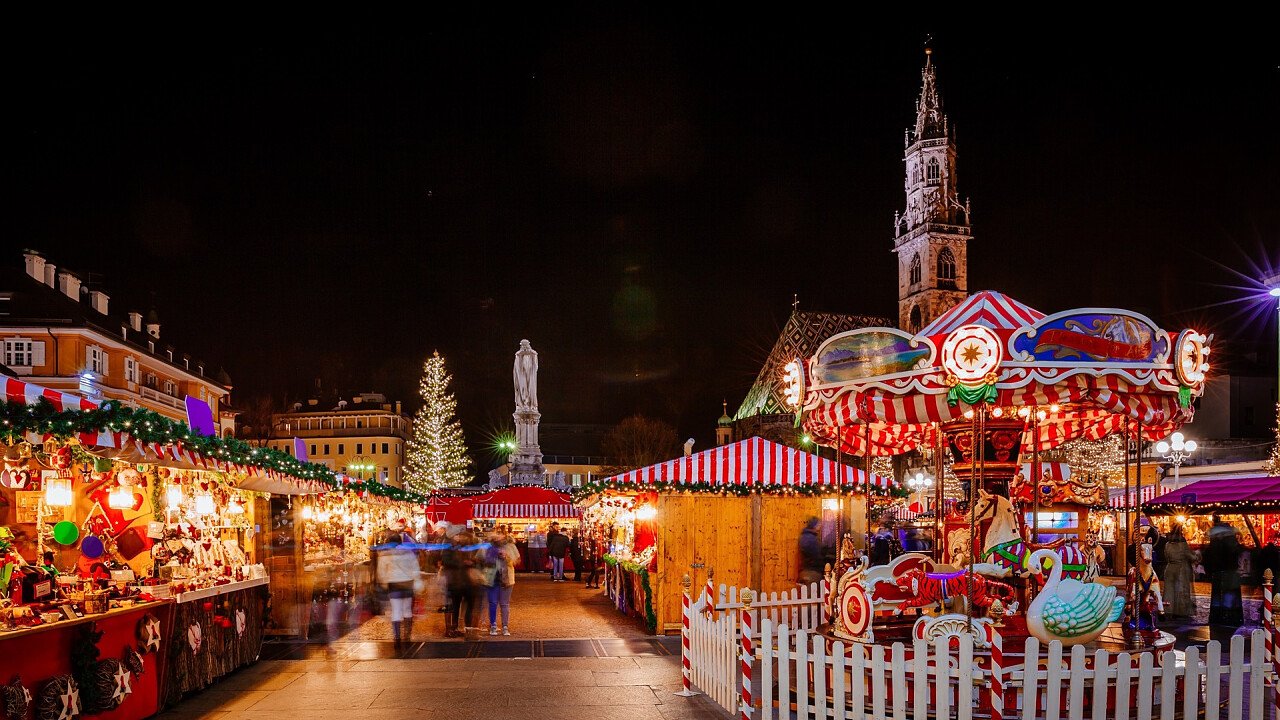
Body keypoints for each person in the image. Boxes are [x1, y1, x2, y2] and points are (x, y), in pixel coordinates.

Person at [376, 528, 422, 651]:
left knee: (396, 611)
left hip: (394, 585)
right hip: (407, 583)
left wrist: (384, 582)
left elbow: (381, 572)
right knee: (407, 610)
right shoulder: (408, 553)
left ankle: (397, 639)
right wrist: (417, 581)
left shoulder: (384, 555)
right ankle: (407, 636)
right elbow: (415, 568)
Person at [1204, 515, 1244, 625]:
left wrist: (1209, 570)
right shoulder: (1231, 542)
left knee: (1218, 595)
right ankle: (1230, 616)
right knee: (1229, 595)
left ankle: (1217, 617)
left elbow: (1207, 557)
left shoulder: (1214, 543)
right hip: (1229, 571)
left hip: (1218, 571)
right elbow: (1236, 552)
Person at [486, 528, 519, 635]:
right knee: (492, 603)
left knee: (504, 604)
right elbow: (480, 559)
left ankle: (505, 626)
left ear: (504, 536)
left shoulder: (510, 546)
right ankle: (493, 625)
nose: (497, 536)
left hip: (507, 578)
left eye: (499, 534)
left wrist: (507, 557)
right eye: (496, 534)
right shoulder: (488, 546)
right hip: (492, 578)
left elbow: (517, 560)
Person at [1162, 525, 1195, 618]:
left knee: (1169, 591)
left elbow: (1166, 556)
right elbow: (1190, 556)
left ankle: (1168, 609)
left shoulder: (1167, 544)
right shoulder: (1183, 544)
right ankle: (1180, 611)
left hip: (1169, 568)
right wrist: (1197, 556)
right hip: (1181, 569)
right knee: (1180, 590)